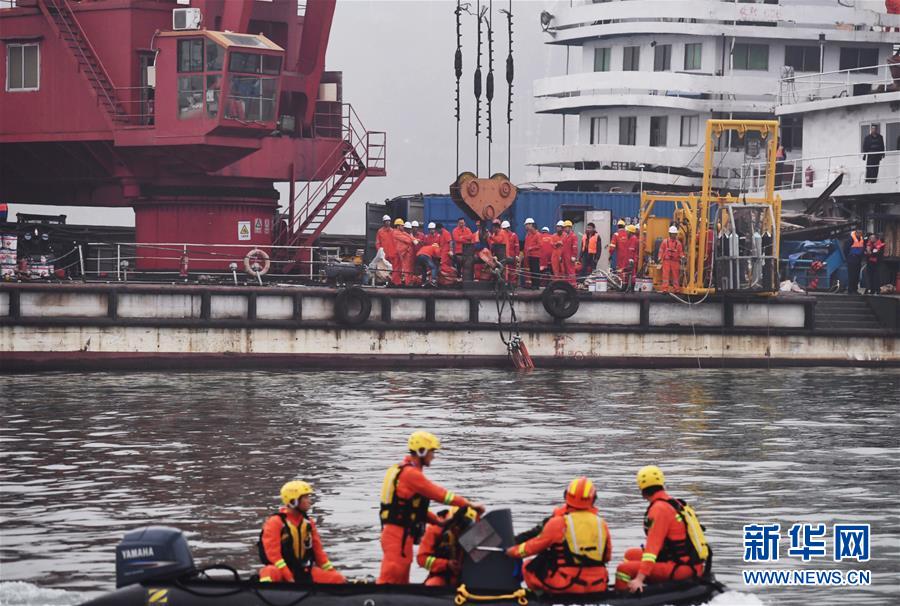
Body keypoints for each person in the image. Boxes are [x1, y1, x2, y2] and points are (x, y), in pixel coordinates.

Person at [378, 431, 485, 584]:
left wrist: (437, 521)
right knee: (392, 575)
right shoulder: (411, 475)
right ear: (421, 451)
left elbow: (412, 510)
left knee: (401, 578)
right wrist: (469, 504)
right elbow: (440, 495)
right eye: (432, 451)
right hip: (397, 534)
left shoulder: (407, 472)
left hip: (401, 534)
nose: (433, 456)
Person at [505, 477, 612, 594]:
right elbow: (607, 557)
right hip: (598, 584)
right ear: (593, 499)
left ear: (566, 495)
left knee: (528, 566)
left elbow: (532, 547)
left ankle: (540, 598)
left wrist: (511, 551)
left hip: (567, 584)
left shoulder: (558, 522)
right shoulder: (601, 523)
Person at [614, 466, 708, 593]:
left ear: (641, 488)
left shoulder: (659, 510)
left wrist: (640, 578)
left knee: (623, 569)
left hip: (680, 568)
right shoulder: (671, 502)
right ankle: (632, 586)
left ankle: (622, 597)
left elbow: (651, 550)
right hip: (686, 562)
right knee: (630, 554)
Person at [258, 481, 345, 584]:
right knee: (269, 571)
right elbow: (273, 556)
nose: (309, 501)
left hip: (302, 571)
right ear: (293, 501)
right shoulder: (275, 522)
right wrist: (289, 577)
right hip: (281, 571)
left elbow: (319, 554)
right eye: (305, 497)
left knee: (337, 578)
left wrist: (333, 573)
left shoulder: (308, 523)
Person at [416, 505, 478, 586]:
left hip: (467, 577)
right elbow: (421, 559)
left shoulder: (475, 532)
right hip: (442, 576)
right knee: (433, 584)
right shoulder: (434, 531)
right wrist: (446, 564)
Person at [658, 225, 684, 293]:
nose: (674, 235)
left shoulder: (678, 243)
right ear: (670, 234)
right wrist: (659, 257)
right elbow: (661, 250)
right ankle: (665, 289)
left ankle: (676, 289)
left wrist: (682, 257)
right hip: (666, 261)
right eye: (673, 234)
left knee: (676, 276)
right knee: (665, 276)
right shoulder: (665, 242)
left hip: (675, 262)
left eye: (675, 234)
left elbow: (680, 252)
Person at [376, 215, 399, 285]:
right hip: (384, 254)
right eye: (386, 221)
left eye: (389, 221)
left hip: (392, 254)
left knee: (393, 269)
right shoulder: (380, 231)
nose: (388, 222)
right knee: (384, 269)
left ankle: (393, 282)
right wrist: (380, 252)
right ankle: (384, 282)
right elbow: (377, 243)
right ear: (383, 222)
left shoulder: (393, 231)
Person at [393, 221, 416, 287]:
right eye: (402, 226)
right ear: (398, 226)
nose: (403, 227)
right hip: (401, 253)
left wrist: (412, 238)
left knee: (404, 268)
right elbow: (408, 240)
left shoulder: (403, 233)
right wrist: (412, 239)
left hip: (405, 253)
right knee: (401, 268)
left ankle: (401, 282)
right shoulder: (396, 233)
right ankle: (398, 282)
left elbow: (410, 239)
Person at [846, 228, 866, 294]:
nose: (860, 234)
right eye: (859, 233)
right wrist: (848, 257)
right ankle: (850, 290)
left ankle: (855, 289)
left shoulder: (861, 239)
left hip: (858, 259)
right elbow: (846, 249)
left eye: (861, 233)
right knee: (852, 275)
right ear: (856, 232)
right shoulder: (850, 239)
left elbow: (862, 248)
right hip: (852, 259)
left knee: (856, 275)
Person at [523, 218, 542, 289]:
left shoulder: (538, 235)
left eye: (527, 225)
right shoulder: (529, 235)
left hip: (535, 256)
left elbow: (540, 245)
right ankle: (534, 284)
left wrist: (531, 248)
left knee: (535, 270)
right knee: (532, 271)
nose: (526, 227)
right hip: (530, 255)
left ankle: (536, 285)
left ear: (531, 225)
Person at [621, 224, 640, 290]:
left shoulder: (634, 239)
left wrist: (632, 260)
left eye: (627, 231)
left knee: (633, 274)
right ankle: (624, 287)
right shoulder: (628, 238)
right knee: (625, 273)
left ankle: (632, 288)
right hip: (627, 259)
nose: (626, 232)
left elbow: (633, 251)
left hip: (632, 259)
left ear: (631, 232)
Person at [561, 220, 578, 286]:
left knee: (570, 271)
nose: (564, 228)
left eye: (566, 227)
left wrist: (574, 256)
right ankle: (567, 284)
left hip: (570, 256)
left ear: (570, 227)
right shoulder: (565, 236)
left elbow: (575, 246)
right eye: (564, 227)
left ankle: (573, 285)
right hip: (564, 256)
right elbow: (563, 247)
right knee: (565, 271)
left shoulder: (573, 236)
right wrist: (561, 256)